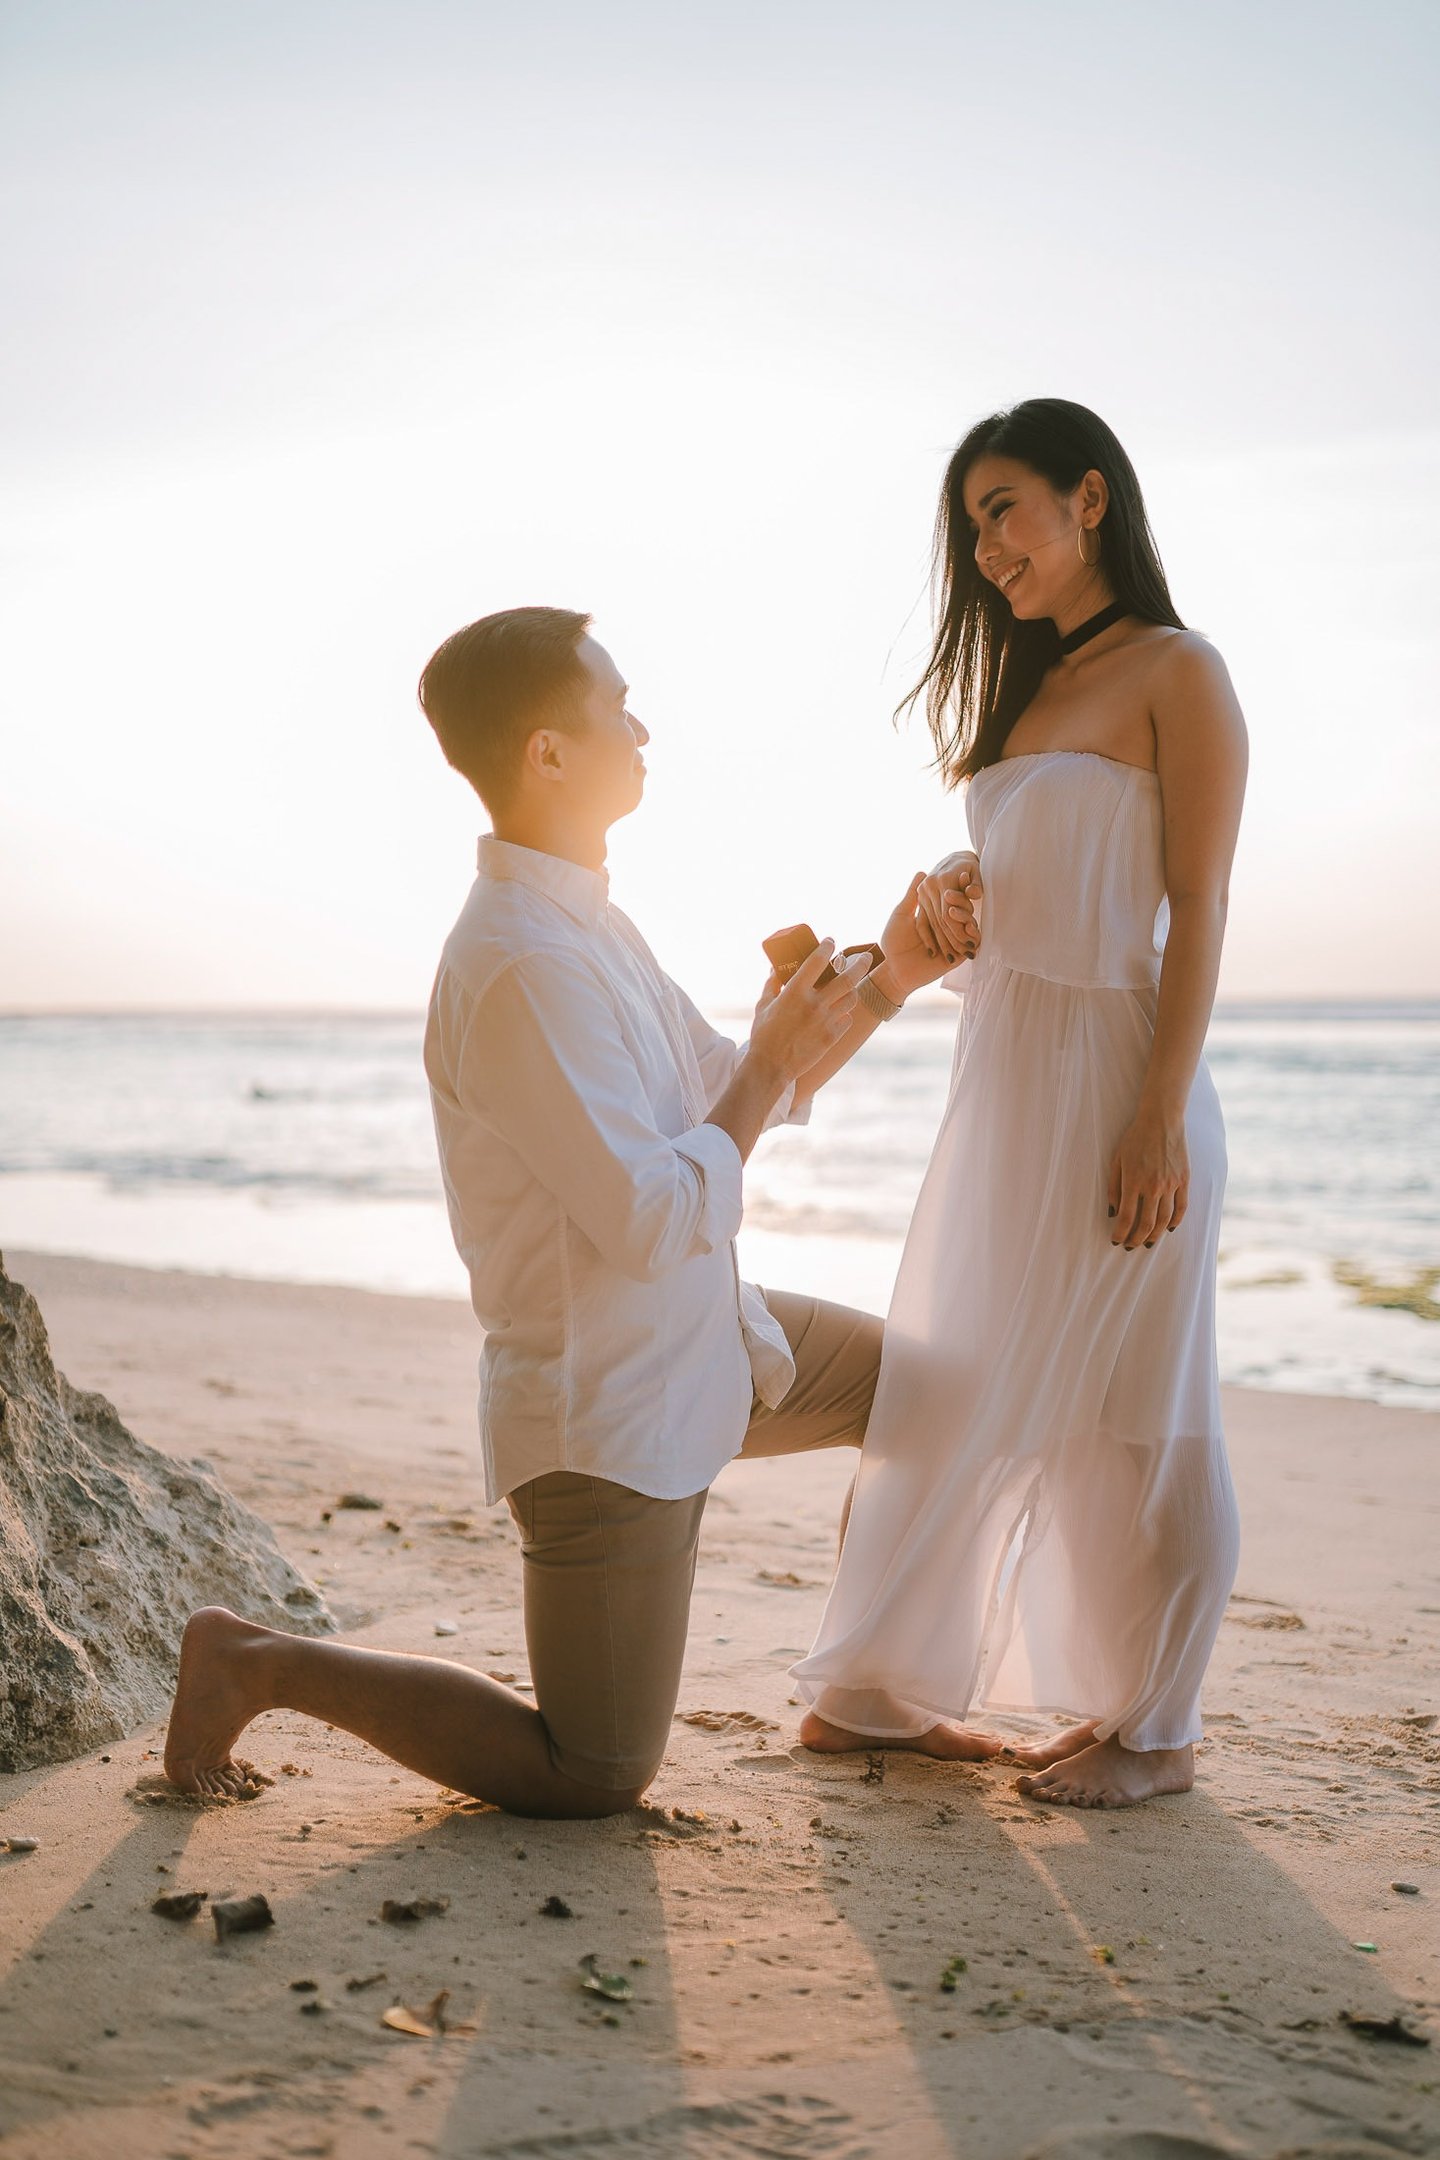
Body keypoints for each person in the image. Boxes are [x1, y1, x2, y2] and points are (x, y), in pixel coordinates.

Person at [163, 606, 983, 1817]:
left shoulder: (587, 920)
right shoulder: (517, 961)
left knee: (934, 1395)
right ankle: (253, 1661)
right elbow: (656, 1211)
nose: (642, 727)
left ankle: (873, 1689)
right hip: (609, 1409)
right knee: (594, 1770)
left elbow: (721, 1082)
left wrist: (894, 978)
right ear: (549, 752)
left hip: (712, 1342)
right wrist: (763, 1070)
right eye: (618, 707)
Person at [792, 398, 1248, 1808]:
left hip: (1123, 1079)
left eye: (1005, 509)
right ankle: (874, 1692)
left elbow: (1198, 900)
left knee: (1140, 1410)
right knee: (955, 1378)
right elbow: (1038, 880)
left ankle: (1150, 1732)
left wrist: (1159, 1113)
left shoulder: (1180, 670)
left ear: (1090, 499)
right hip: (1001, 1079)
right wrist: (953, 895)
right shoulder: (1023, 691)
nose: (986, 548)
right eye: (970, 524)